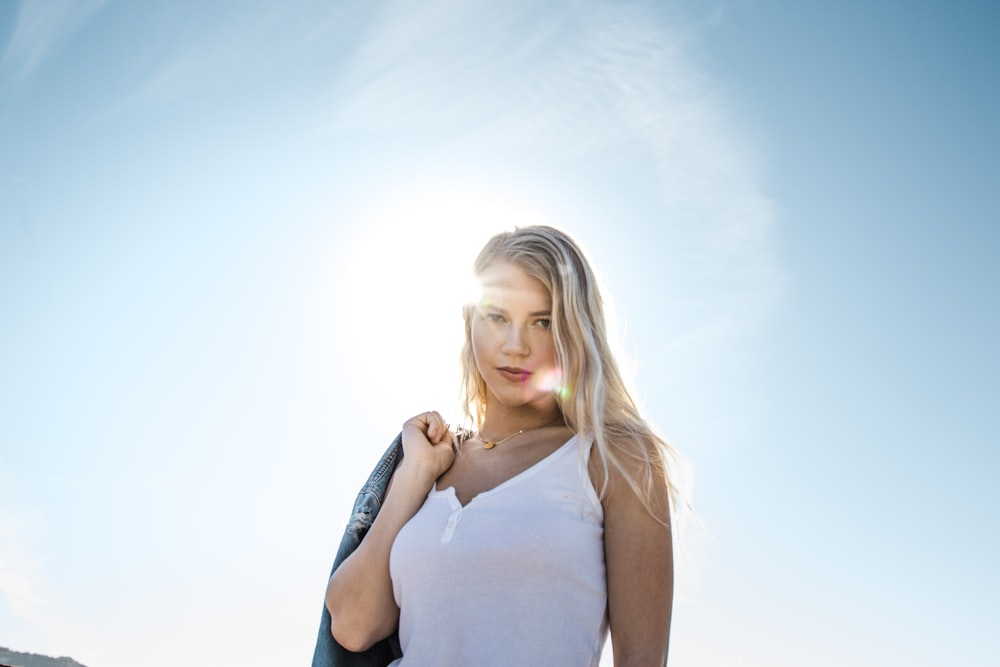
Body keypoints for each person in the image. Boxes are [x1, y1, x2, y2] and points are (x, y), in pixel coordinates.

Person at [317, 225, 684, 666]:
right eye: (496, 316)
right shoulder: (430, 461)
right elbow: (354, 626)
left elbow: (642, 659)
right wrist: (414, 476)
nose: (516, 346)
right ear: (470, 319)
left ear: (576, 330)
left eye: (543, 321)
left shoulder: (616, 459)